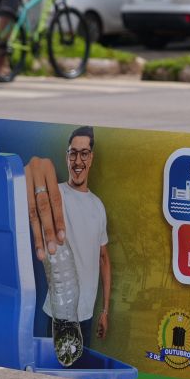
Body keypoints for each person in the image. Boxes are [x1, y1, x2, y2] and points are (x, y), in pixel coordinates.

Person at [25, 127, 112, 353]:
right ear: (67, 157)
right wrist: (34, 168)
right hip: (57, 315)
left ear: (91, 158)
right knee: (50, 378)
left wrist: (105, 311)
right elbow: (37, 177)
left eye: (84, 153)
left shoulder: (98, 207)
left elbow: (104, 259)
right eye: (73, 153)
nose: (78, 160)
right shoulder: (57, 195)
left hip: (86, 316)